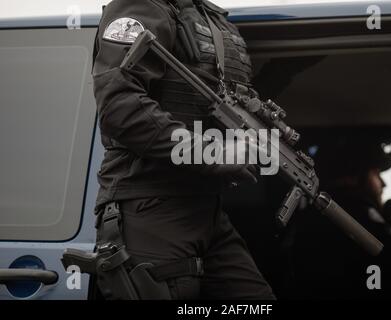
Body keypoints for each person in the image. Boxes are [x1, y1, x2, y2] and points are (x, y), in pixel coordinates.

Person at [91, 0, 274, 299]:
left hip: (204, 207)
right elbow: (118, 108)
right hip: (150, 205)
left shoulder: (209, 17)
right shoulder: (142, 6)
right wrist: (213, 152)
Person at [282, 139, 391, 299]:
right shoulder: (352, 214)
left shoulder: (310, 216)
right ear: (353, 176)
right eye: (376, 173)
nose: (382, 183)